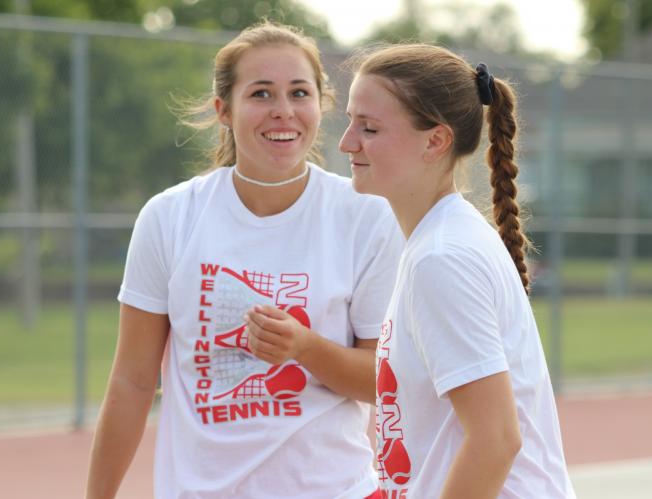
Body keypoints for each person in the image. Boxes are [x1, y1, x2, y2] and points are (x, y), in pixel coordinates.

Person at [86, 22, 402, 499]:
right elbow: (131, 382)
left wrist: (303, 348)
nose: (283, 112)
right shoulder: (170, 217)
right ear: (224, 111)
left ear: (321, 105)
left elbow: (382, 382)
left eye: (299, 92)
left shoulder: (366, 215)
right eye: (260, 94)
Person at [340, 44, 576, 498]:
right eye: (351, 121)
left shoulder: (441, 259)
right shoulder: (437, 241)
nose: (347, 141)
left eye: (368, 127)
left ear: (435, 141)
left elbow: (496, 441)